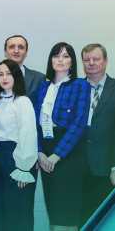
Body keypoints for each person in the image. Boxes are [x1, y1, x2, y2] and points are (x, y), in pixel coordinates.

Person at [34, 43, 90, 231]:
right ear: (50, 60)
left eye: (66, 56)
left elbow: (80, 122)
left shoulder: (81, 84)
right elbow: (35, 122)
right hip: (45, 149)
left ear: (72, 62)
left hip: (68, 150)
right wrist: (39, 151)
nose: (60, 59)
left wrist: (57, 155)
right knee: (54, 208)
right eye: (56, 55)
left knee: (65, 210)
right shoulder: (43, 87)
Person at [0, 59, 38, 231]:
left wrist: (23, 168)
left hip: (14, 157)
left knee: (15, 208)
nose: (4, 78)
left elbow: (27, 132)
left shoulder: (22, 102)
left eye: (8, 73)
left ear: (17, 76)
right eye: (0, 74)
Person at [78, 44, 115, 228]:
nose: (91, 63)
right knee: (81, 220)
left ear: (106, 61)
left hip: (106, 168)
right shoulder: (74, 89)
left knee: (103, 221)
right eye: (87, 60)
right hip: (77, 169)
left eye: (96, 59)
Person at [0, 35, 45, 112]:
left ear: (26, 53)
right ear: (5, 52)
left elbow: (42, 109)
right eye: (12, 47)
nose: (16, 51)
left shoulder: (39, 78)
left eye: (21, 47)